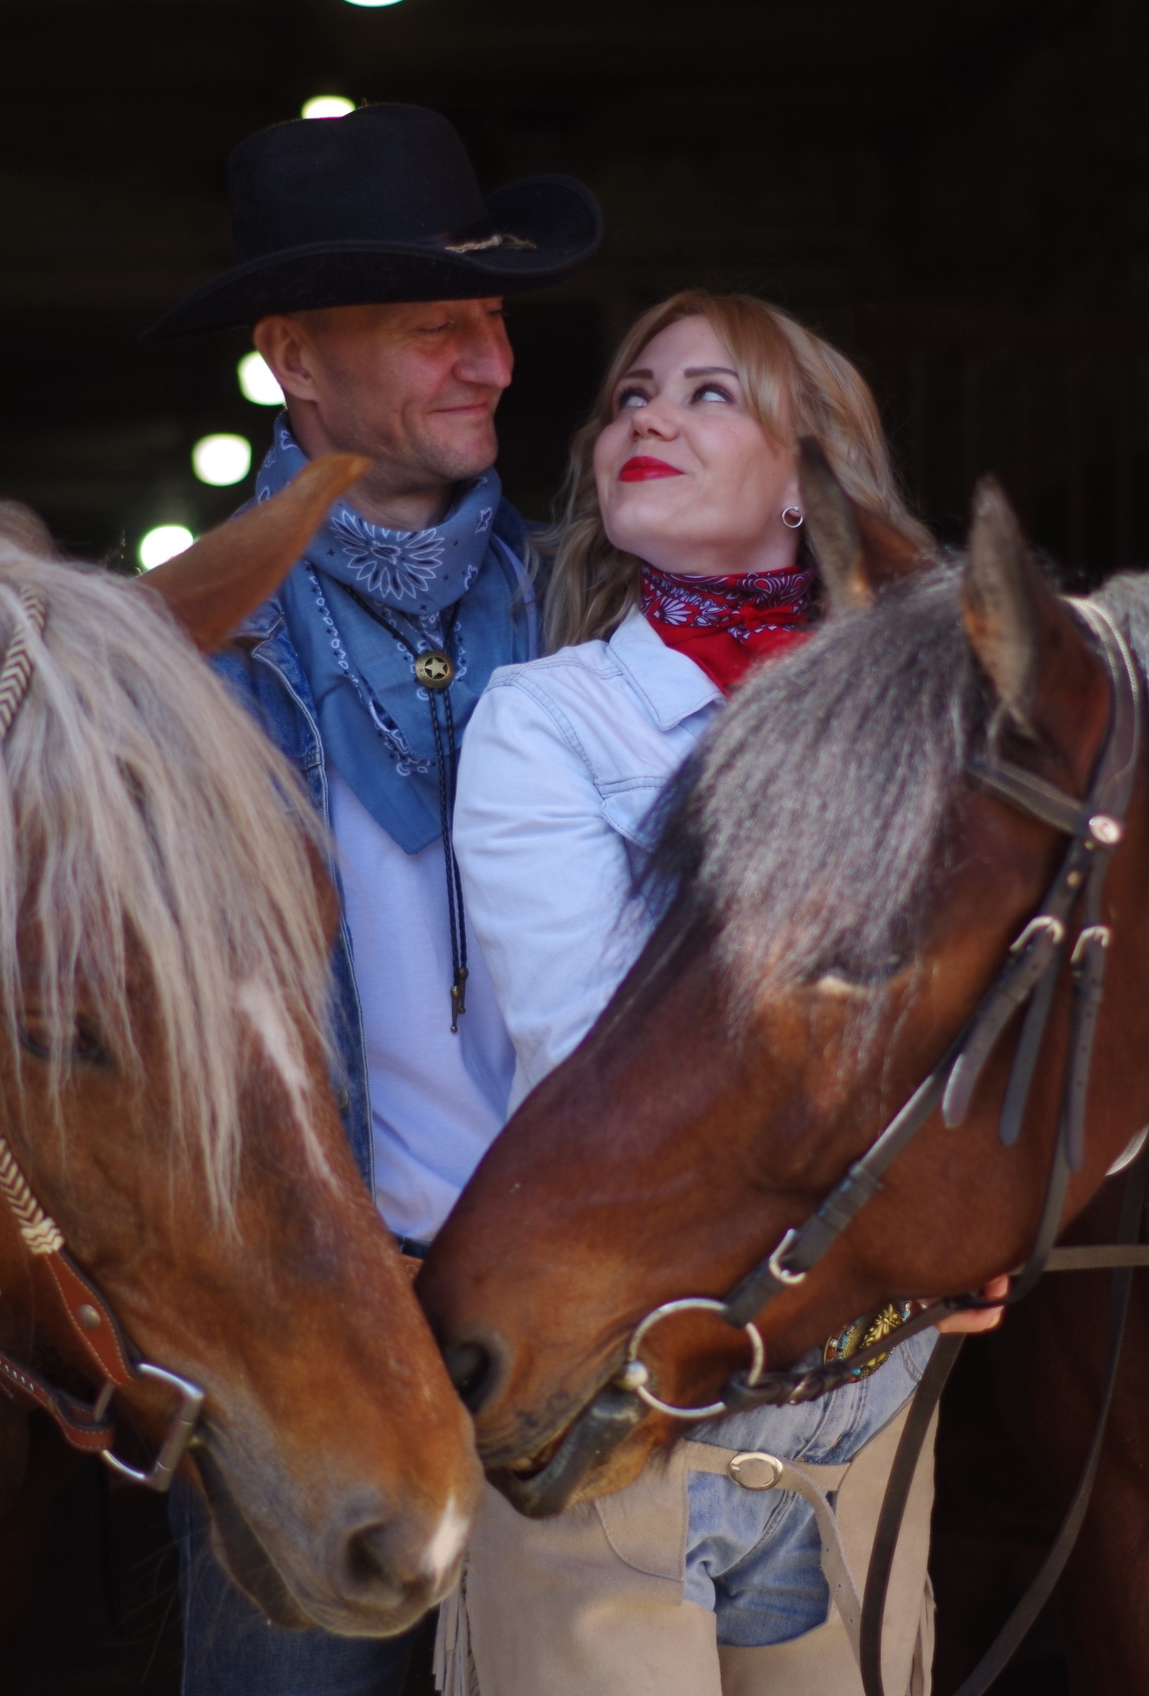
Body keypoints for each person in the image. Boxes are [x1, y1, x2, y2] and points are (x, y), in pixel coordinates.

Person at [444, 292, 1002, 1696]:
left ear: (811, 480)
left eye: (708, 395)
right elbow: (587, 1056)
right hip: (613, 1374)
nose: (646, 418)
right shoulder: (549, 719)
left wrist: (969, 1201)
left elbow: (998, 1015)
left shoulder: (934, 729)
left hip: (857, 1382)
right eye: (633, 394)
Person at [141, 103, 601, 1696]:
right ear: (293, 360)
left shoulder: (591, 618)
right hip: (306, 1339)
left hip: (571, 1323)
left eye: (490, 319)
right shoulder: (167, 667)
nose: (491, 359)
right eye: (435, 328)